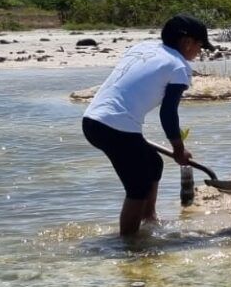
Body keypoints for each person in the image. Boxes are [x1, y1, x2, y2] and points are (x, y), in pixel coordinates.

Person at [82, 14, 213, 237]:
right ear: (187, 42)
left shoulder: (143, 47)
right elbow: (168, 112)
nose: (199, 53)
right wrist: (179, 149)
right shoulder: (178, 67)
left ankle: (149, 220)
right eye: (200, 46)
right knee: (137, 188)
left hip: (92, 120)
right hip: (116, 127)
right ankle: (130, 247)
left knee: (152, 163)